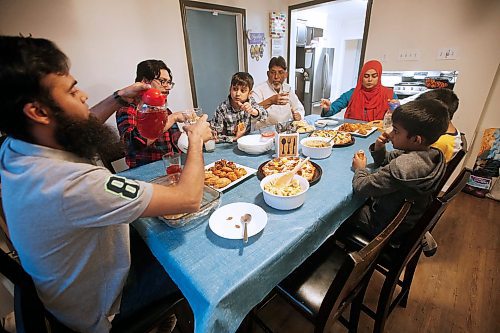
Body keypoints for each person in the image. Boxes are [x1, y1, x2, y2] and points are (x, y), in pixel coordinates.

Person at [0, 36, 212, 333]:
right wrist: (197, 141)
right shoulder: (68, 183)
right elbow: (189, 197)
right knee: (201, 259)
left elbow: (78, 123)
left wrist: (118, 97)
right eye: (72, 92)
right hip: (103, 307)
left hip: (69, 289)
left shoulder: (16, 146)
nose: (84, 95)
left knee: (161, 235)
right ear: (38, 112)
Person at [347, 99, 449, 240]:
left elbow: (362, 187)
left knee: (345, 210)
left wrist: (360, 169)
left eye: (396, 131)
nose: (390, 134)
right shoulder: (431, 154)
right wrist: (379, 148)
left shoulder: (402, 169)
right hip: (409, 219)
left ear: (416, 139)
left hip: (386, 225)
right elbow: (388, 159)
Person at [116, 59, 187, 168]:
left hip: (170, 167)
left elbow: (177, 142)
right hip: (145, 173)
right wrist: (172, 118)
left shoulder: (165, 110)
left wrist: (190, 134)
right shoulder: (127, 110)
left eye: (169, 82)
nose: (168, 87)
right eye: (163, 81)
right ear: (145, 82)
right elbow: (131, 145)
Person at [320, 59, 397, 121]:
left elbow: (398, 118)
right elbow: (333, 109)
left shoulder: (389, 94)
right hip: (354, 134)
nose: (370, 79)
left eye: (374, 76)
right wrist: (327, 108)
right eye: (366, 76)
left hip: (380, 136)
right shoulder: (352, 93)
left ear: (379, 77)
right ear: (361, 78)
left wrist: (395, 108)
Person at [210, 72, 268, 143]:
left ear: (249, 94)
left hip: (247, 141)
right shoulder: (222, 108)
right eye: (235, 89)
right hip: (228, 144)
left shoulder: (250, 102)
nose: (238, 94)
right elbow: (214, 136)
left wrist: (253, 111)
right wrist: (235, 138)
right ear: (230, 89)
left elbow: (265, 115)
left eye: (243, 91)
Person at [251, 56, 304, 128]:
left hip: (286, 130)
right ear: (268, 74)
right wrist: (271, 101)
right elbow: (251, 113)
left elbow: (298, 107)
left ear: (286, 75)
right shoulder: (258, 90)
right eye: (273, 72)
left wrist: (299, 115)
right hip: (264, 132)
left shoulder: (287, 88)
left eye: (280, 72)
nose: (276, 76)